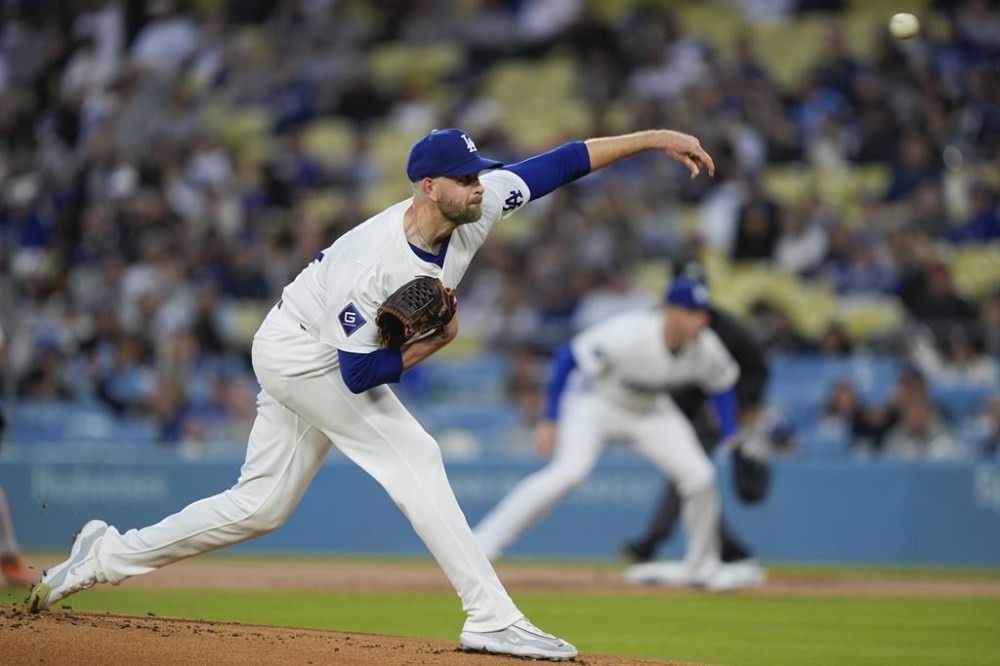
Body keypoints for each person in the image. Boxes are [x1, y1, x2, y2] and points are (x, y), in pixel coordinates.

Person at [28, 126, 715, 660]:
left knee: (259, 506)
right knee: (413, 454)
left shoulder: (475, 204)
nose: (480, 185)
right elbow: (357, 377)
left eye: (479, 173)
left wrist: (653, 138)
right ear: (425, 186)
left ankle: (104, 555)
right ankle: (493, 618)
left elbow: (559, 163)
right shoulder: (375, 262)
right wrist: (427, 347)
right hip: (301, 351)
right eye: (464, 177)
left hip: (305, 339)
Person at [472, 275, 764, 591]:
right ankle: (483, 543)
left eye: (703, 312)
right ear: (670, 311)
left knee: (700, 476)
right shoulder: (631, 332)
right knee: (568, 473)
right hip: (596, 402)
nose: (701, 319)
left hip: (651, 409)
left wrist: (732, 436)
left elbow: (721, 386)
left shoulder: (705, 346)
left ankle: (702, 566)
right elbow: (566, 358)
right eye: (692, 311)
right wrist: (551, 420)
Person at [619, 261, 769, 567]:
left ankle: (652, 541)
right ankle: (728, 547)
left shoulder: (725, 328)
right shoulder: (654, 323)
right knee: (692, 477)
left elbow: (757, 370)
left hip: (712, 415)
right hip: (674, 411)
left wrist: (737, 409)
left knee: (688, 474)